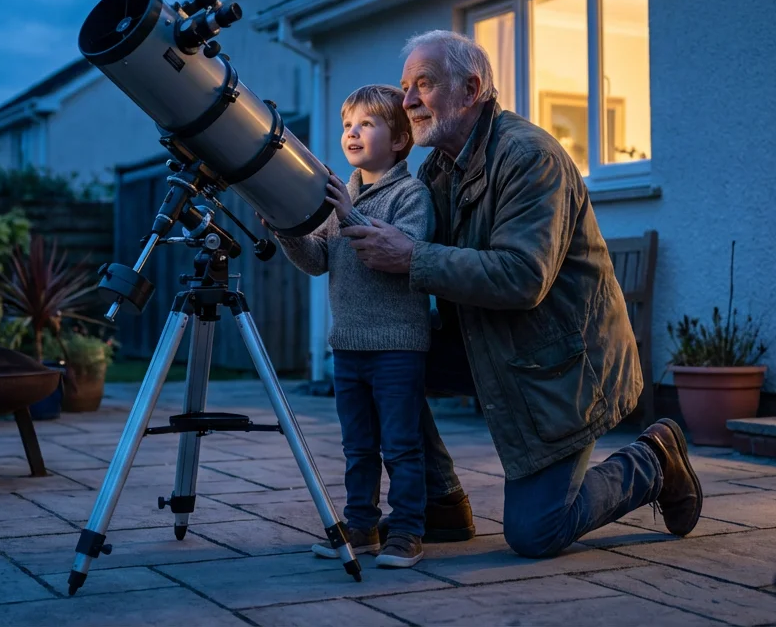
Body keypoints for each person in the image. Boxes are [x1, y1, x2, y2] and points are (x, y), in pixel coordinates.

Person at [340, 30, 703, 558]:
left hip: (564, 362)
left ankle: (652, 458)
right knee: (386, 355)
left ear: (471, 89)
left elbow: (522, 277)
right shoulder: (438, 169)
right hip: (497, 344)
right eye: (404, 87)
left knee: (536, 532)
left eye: (424, 84)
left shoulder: (529, 157)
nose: (408, 101)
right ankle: (440, 500)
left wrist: (412, 257)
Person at [271, 84, 436, 568]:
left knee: (402, 445)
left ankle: (407, 531)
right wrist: (286, 230)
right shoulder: (343, 193)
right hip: (347, 345)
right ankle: (361, 525)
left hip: (398, 346)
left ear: (400, 140)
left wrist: (347, 211)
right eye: (348, 125)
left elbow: (395, 253)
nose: (352, 132)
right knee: (357, 446)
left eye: (366, 123)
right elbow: (319, 259)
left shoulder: (411, 194)